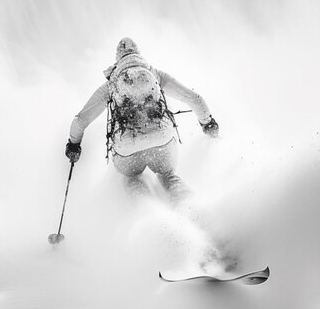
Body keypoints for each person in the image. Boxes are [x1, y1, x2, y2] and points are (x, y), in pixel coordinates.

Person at [64, 37, 218, 201]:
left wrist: (73, 146)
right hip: (162, 141)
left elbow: (81, 119)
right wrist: (208, 124)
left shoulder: (112, 83)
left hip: (127, 148)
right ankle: (190, 207)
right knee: (169, 176)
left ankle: (150, 213)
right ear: (138, 53)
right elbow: (194, 98)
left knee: (133, 180)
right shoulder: (155, 74)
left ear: (118, 59)